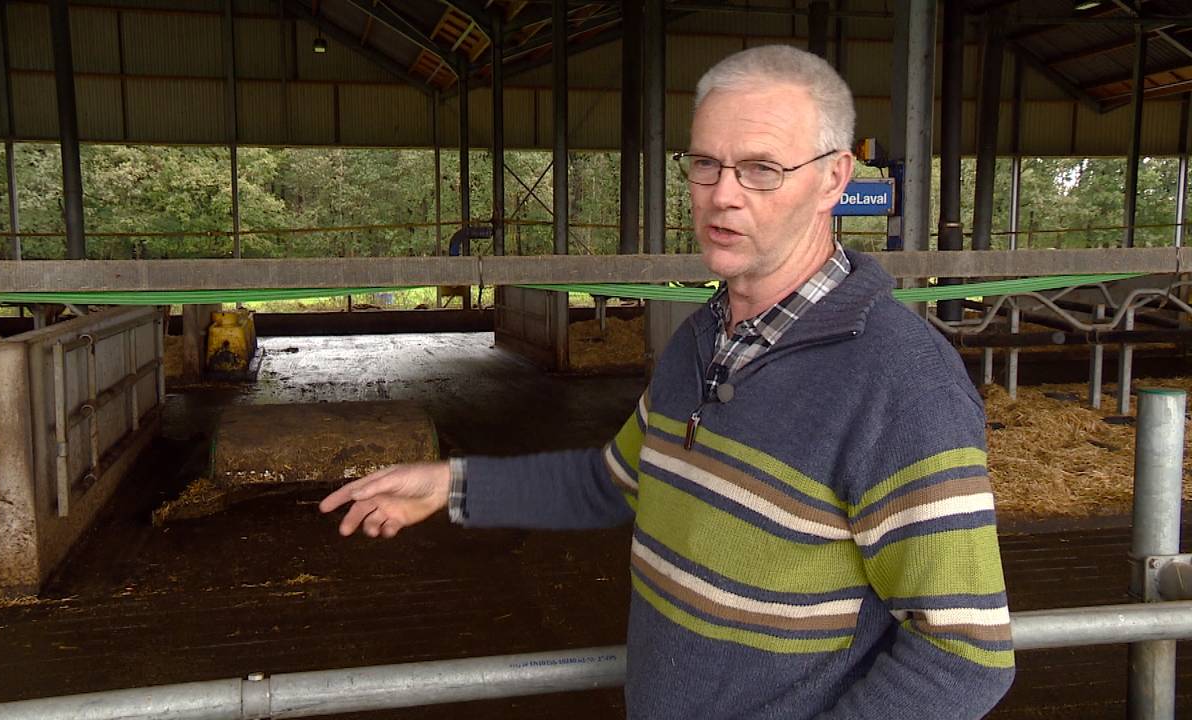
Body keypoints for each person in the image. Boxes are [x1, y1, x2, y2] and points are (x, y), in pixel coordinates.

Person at [321, 45, 1015, 719]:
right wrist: (453, 485)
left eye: (762, 169)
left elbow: (962, 654)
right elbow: (614, 483)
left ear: (835, 179)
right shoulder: (700, 340)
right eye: (705, 164)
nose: (722, 197)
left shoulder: (901, 382)